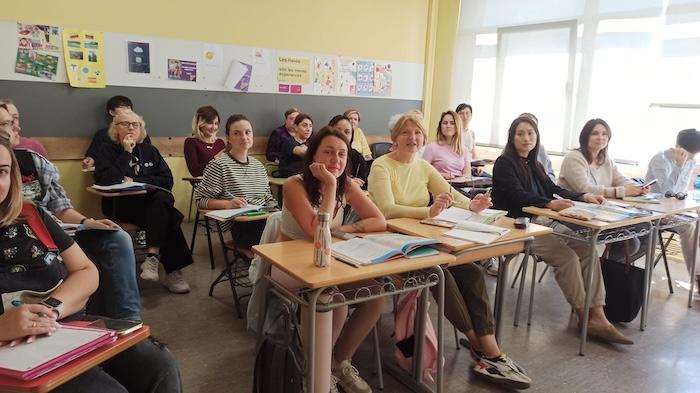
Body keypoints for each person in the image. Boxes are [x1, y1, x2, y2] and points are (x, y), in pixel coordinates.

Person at [0, 130, 183, 393]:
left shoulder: (31, 213)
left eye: (2, 171)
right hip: (14, 352)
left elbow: (86, 271)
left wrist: (51, 309)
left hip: (64, 328)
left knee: (159, 365)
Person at [367, 112, 532, 389]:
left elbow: (452, 195)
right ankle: (484, 349)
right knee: (442, 276)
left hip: (423, 239)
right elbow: (385, 210)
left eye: (418, 133)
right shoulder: (381, 166)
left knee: (472, 273)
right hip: (391, 243)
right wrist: (427, 210)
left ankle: (487, 347)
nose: (413, 138)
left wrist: (472, 205)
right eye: (406, 133)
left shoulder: (422, 167)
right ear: (394, 138)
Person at [491, 115, 633, 345]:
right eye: (520, 134)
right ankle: (584, 314)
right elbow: (517, 195)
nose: (526, 138)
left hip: (540, 222)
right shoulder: (504, 163)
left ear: (537, 137)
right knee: (566, 257)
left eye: (531, 133)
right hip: (517, 225)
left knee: (587, 250)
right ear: (512, 137)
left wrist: (583, 196)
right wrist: (548, 203)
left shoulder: (534, 164)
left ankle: (598, 314)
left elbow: (554, 188)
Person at [0, 104, 141, 321]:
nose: (17, 127)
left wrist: (88, 221)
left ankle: (128, 322)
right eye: (8, 123)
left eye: (16, 119)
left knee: (117, 236)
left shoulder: (34, 162)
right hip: (36, 244)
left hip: (57, 228)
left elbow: (62, 208)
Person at [281, 126, 385, 393]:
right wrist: (329, 186)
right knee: (334, 302)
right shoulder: (294, 185)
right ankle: (316, 371)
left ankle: (338, 362)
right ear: (312, 155)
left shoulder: (346, 184)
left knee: (374, 296)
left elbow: (378, 221)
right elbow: (317, 231)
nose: (335, 160)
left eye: (341, 154)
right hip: (290, 267)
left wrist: (343, 230)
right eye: (327, 152)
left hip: (328, 263)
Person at [93, 110, 193, 294]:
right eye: (125, 124)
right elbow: (104, 181)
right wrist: (126, 152)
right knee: (168, 214)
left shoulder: (149, 150)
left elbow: (167, 180)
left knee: (162, 203)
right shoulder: (106, 150)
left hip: (151, 205)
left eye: (135, 124)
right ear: (115, 129)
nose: (131, 127)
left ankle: (153, 258)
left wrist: (139, 180)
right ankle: (171, 271)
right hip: (120, 206)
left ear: (141, 129)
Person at [558, 118, 650, 260]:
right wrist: (623, 191)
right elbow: (584, 188)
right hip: (575, 214)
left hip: (601, 212)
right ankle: (602, 275)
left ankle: (607, 273)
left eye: (604, 134)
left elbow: (619, 179)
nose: (600, 137)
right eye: (595, 133)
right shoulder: (574, 158)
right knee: (631, 242)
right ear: (585, 136)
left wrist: (637, 187)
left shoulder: (605, 158)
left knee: (647, 233)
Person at [195, 114, 276, 248]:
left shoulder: (258, 166)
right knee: (272, 247)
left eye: (247, 132)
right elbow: (200, 201)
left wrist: (276, 211)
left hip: (264, 217)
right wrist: (228, 204)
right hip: (243, 222)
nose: (244, 137)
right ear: (228, 138)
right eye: (237, 133)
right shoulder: (219, 165)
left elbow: (268, 197)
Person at [646, 128, 700, 293]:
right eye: (689, 154)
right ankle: (697, 278)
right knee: (690, 227)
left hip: (674, 210)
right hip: (654, 211)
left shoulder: (690, 161)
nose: (691, 159)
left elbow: (681, 191)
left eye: (694, 156)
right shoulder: (660, 159)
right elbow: (667, 192)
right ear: (677, 146)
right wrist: (678, 166)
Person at [83, 95, 152, 170]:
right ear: (112, 112)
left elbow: (149, 156)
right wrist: (90, 160)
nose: (126, 111)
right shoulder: (102, 135)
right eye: (122, 108)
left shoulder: (140, 134)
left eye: (128, 108)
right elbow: (93, 154)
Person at [422, 110, 471, 180]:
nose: (448, 125)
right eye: (445, 123)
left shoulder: (464, 150)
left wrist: (460, 180)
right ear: (440, 127)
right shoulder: (431, 147)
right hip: (440, 185)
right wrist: (440, 175)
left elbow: (467, 173)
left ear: (457, 126)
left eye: (452, 123)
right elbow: (423, 170)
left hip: (460, 186)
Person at [183, 105, 225, 177]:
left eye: (216, 123)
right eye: (210, 123)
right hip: (203, 185)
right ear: (200, 124)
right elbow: (194, 171)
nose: (214, 127)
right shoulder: (191, 142)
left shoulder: (220, 143)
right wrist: (215, 158)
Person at [328, 115, 369, 188]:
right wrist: (347, 182)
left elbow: (364, 183)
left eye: (347, 132)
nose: (342, 135)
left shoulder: (357, 156)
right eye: (338, 130)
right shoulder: (322, 153)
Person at [518, 112, 556, 181]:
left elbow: (550, 173)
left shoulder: (541, 148)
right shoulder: (507, 155)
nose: (526, 138)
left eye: (530, 132)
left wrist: (548, 185)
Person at [278, 113, 313, 177]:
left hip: (304, 175)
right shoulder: (288, 142)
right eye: (305, 125)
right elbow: (303, 152)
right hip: (290, 176)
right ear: (296, 127)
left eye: (310, 126)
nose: (308, 129)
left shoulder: (310, 142)